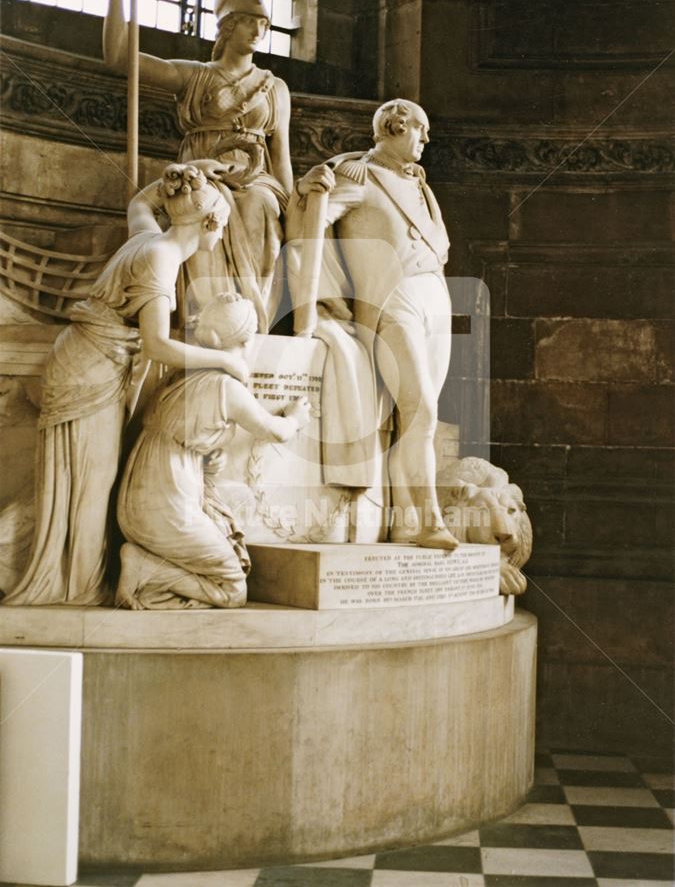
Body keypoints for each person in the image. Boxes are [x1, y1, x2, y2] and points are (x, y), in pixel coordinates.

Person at [3, 164, 247, 607]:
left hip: (84, 359)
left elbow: (140, 202)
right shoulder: (162, 258)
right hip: (91, 370)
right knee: (91, 484)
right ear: (211, 223)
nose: (221, 239)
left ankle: (53, 573)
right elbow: (156, 344)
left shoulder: (147, 237)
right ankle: (74, 590)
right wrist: (225, 358)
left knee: (74, 479)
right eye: (223, 227)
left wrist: (190, 178)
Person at [288, 99, 459, 550]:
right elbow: (309, 224)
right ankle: (428, 519)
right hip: (389, 297)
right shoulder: (355, 175)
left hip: (433, 296)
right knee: (420, 406)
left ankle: (404, 521)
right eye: (420, 130)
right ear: (394, 126)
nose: (425, 139)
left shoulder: (421, 186)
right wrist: (306, 192)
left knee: (418, 416)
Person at [103, 0, 293, 331]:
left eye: (264, 23)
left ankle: (248, 321)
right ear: (227, 25)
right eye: (248, 21)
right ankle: (209, 317)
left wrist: (294, 210)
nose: (258, 31)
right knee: (209, 203)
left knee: (259, 204)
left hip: (257, 178)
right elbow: (121, 56)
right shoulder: (195, 76)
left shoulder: (275, 88)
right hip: (201, 173)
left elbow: (281, 154)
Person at [116, 293, 311, 610]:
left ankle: (147, 565)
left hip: (142, 494)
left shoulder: (181, 374)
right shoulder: (226, 387)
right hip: (165, 502)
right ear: (248, 342)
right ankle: (145, 569)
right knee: (233, 589)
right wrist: (294, 418)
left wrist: (206, 467)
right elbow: (274, 430)